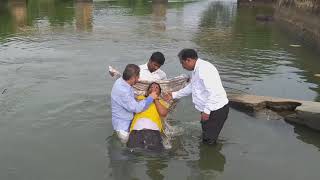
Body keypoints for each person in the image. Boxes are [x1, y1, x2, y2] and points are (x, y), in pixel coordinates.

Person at [164, 49, 229, 144]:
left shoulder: (205, 69)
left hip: (215, 109)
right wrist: (174, 95)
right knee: (206, 135)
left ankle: (209, 155)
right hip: (209, 109)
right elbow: (191, 87)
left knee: (209, 141)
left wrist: (207, 111)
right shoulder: (197, 70)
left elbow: (214, 92)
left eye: (182, 63)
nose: (182, 66)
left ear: (188, 60)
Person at [111, 64, 158, 143]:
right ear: (133, 78)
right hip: (123, 128)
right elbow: (137, 108)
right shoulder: (123, 91)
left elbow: (130, 101)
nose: (138, 79)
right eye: (138, 77)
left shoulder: (121, 81)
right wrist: (150, 98)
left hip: (126, 121)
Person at [127, 82, 169, 151]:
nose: (154, 89)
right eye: (151, 87)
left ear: (159, 93)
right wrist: (149, 97)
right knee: (131, 154)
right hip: (136, 130)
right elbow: (133, 108)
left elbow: (163, 113)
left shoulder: (162, 102)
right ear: (147, 91)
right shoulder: (140, 98)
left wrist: (155, 99)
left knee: (156, 157)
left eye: (156, 88)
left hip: (154, 131)